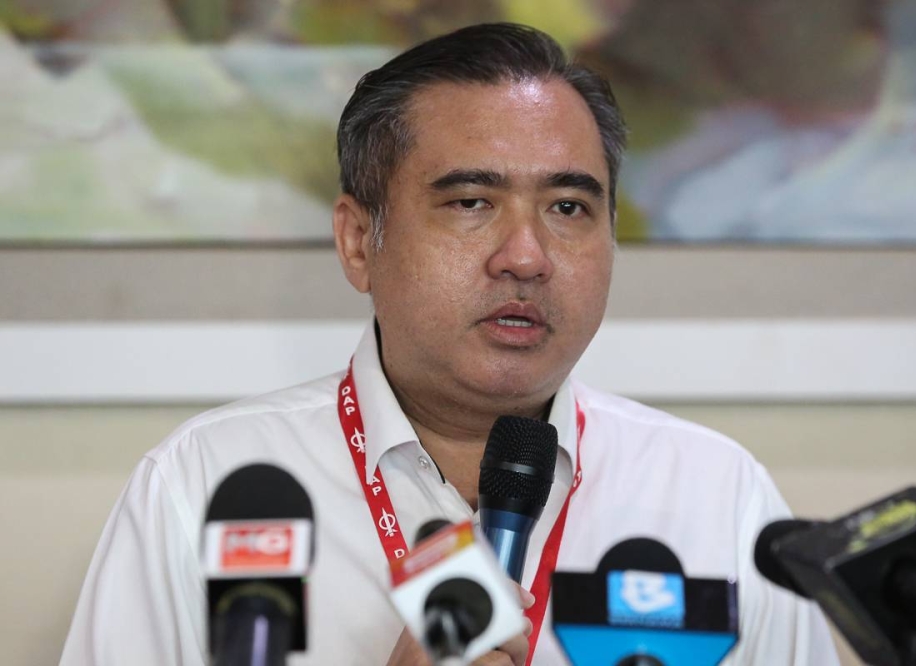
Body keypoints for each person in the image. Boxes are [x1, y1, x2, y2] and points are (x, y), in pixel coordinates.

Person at [60, 23, 840, 666]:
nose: (526, 256)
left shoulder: (715, 497)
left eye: (568, 208)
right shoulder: (203, 486)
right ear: (359, 241)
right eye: (471, 202)